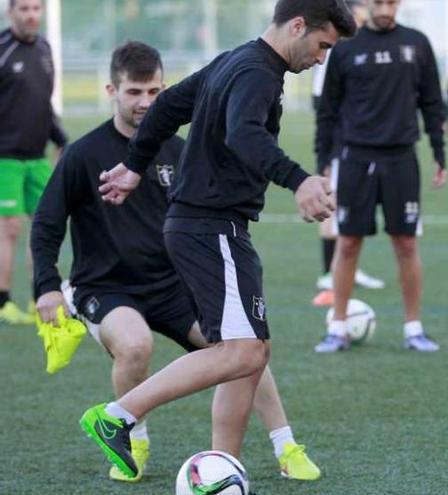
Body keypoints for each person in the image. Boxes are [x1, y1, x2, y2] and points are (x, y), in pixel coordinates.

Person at [78, 0, 355, 480]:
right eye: (322, 44)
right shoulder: (257, 73)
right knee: (242, 352)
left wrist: (135, 165)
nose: (321, 57)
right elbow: (244, 135)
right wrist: (299, 180)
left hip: (210, 225)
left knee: (250, 352)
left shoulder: (235, 59)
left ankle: (221, 467)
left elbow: (166, 107)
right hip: (210, 225)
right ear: (296, 26)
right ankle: (118, 415)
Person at [31, 41, 321, 483]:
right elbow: (48, 223)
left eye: (153, 92)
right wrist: (47, 284)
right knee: (137, 345)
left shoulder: (178, 149)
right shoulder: (83, 153)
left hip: (171, 284)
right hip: (107, 288)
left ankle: (279, 447)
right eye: (134, 92)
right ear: (113, 90)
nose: (145, 102)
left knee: (245, 351)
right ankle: (131, 436)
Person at [314, 0, 447, 353]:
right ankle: (338, 327)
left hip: (401, 158)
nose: (385, 7)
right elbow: (328, 109)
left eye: (391, 1)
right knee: (348, 243)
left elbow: (433, 101)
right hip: (355, 158)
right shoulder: (345, 48)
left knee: (406, 244)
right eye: (378, 2)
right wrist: (323, 160)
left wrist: (439, 151)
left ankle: (413, 329)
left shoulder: (417, 43)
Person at [310, 0, 384, 307]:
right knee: (334, 203)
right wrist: (332, 145)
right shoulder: (334, 49)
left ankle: (346, 270)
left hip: (359, 142)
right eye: (363, 11)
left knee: (350, 209)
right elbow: (323, 101)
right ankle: (329, 273)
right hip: (343, 142)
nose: (368, 17)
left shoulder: (358, 48)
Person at [0, 0, 66, 325]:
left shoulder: (44, 48)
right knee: (9, 228)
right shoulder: (2, 49)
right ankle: (2, 302)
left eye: (36, 9)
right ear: (10, 12)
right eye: (23, 8)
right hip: (5, 159)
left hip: (38, 156)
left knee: (43, 226)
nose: (31, 15)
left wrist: (61, 138)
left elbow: (43, 103)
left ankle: (39, 297)